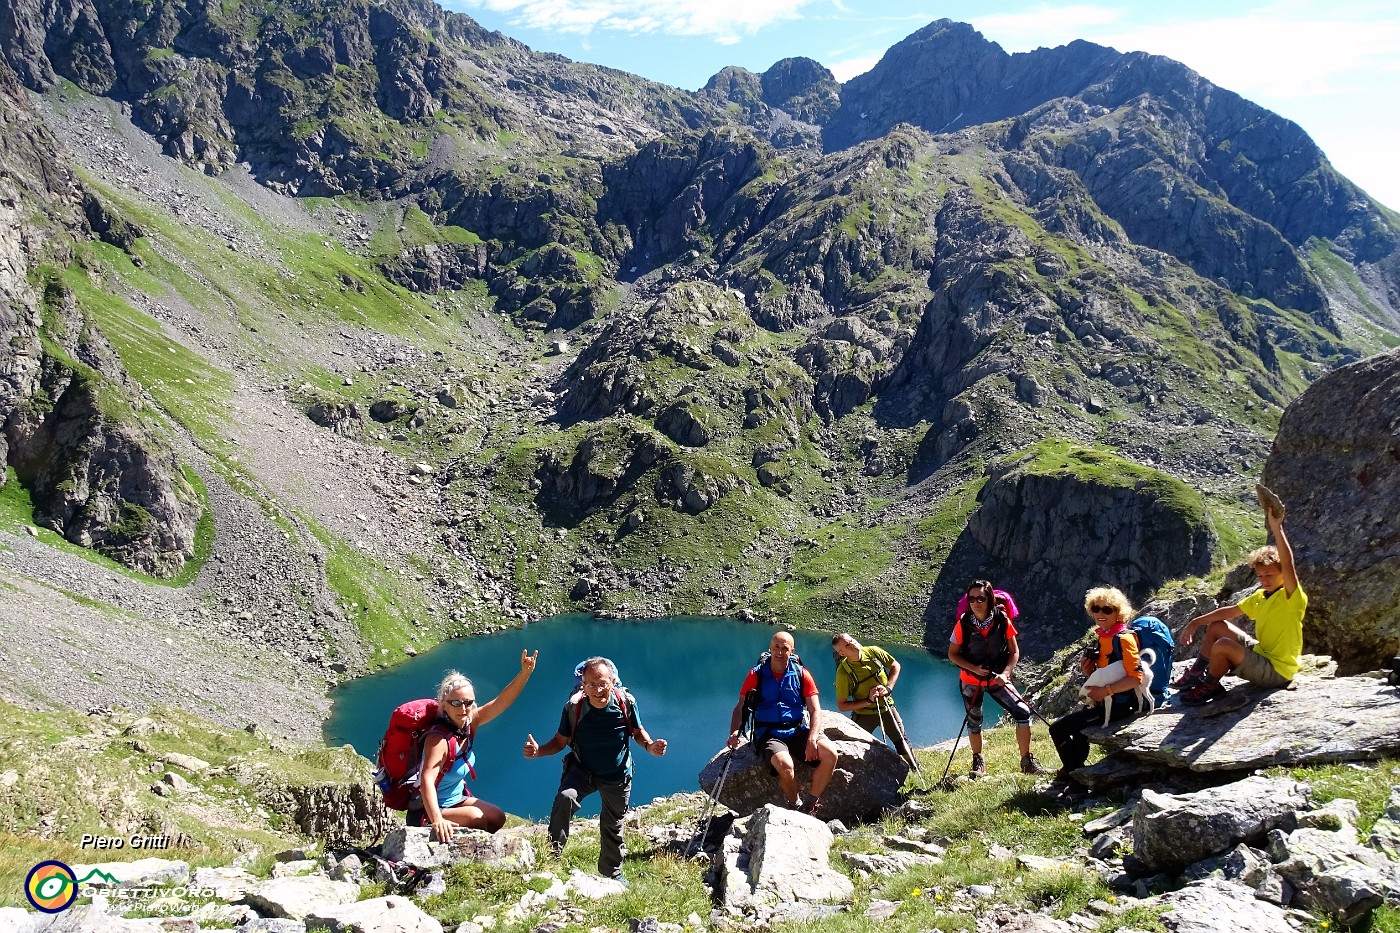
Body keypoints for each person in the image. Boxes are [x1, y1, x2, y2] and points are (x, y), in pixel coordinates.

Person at [522, 657, 667, 881]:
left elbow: (637, 732)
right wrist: (538, 750)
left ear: (613, 682)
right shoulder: (574, 707)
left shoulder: (625, 702)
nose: (598, 690)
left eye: (603, 683)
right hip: (583, 770)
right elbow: (560, 741)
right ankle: (551, 856)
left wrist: (650, 746)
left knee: (612, 824)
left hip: (617, 774)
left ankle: (612, 873)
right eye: (591, 684)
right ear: (583, 685)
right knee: (565, 797)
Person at [1177, 490, 1305, 705]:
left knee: (1224, 645)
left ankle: (1211, 685)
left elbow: (1288, 564)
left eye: (1270, 575)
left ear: (1282, 573)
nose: (1264, 580)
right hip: (1263, 654)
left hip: (1277, 671)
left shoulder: (1291, 597)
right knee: (1218, 626)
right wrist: (1195, 622)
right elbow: (1230, 612)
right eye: (1260, 575)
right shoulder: (1261, 596)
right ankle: (1197, 674)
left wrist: (1277, 528)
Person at [414, 650, 537, 840]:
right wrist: (437, 819)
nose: (463, 709)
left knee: (497, 817)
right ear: (444, 705)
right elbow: (427, 780)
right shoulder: (438, 740)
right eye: (456, 703)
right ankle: (469, 858)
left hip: (455, 799)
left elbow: (501, 702)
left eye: (468, 702)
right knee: (477, 818)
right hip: (430, 809)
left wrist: (525, 673)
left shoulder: (470, 723)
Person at [727, 631, 838, 816]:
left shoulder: (801, 674)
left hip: (796, 728)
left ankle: (810, 804)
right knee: (785, 765)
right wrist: (734, 732)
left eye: (784, 648)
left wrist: (811, 738)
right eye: (776, 647)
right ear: (770, 648)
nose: (779, 652)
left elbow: (815, 710)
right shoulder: (757, 674)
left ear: (792, 651)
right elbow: (740, 707)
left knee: (830, 754)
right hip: (768, 732)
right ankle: (795, 804)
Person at [948, 579, 1046, 776]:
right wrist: (974, 668)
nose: (976, 602)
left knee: (1023, 712)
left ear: (990, 599)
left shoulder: (1002, 619)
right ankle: (978, 762)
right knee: (974, 721)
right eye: (972, 598)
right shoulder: (963, 624)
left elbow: (1014, 651)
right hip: (970, 681)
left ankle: (1027, 762)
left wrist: (1006, 673)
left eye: (981, 598)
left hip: (997, 679)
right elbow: (953, 654)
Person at [1047, 587, 1147, 780]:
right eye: (1095, 608)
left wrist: (1105, 690)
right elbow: (1107, 672)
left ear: (1118, 613)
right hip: (1106, 702)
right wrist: (1089, 672)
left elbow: (1136, 677)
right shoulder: (1103, 636)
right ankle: (1074, 771)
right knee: (1078, 731)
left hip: (1122, 706)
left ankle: (1074, 776)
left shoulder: (1124, 638)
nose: (1100, 614)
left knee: (1058, 729)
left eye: (1107, 610)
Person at [832, 633, 902, 737]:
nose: (853, 644)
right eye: (847, 645)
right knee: (856, 745)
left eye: (851, 640)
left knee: (903, 743)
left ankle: (907, 754)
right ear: (842, 654)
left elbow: (895, 666)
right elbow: (842, 705)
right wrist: (868, 701)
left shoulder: (873, 651)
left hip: (887, 707)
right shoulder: (843, 672)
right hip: (863, 715)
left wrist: (888, 688)